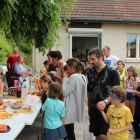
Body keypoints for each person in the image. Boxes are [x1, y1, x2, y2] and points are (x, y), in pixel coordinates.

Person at [87, 48, 120, 140]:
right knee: (97, 135)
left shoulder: (113, 72)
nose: (90, 61)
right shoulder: (89, 72)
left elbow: (117, 92)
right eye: (89, 59)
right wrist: (89, 107)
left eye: (93, 59)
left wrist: (105, 101)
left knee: (104, 135)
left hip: (109, 109)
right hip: (94, 108)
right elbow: (89, 90)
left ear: (101, 58)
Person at [62, 58, 86, 140]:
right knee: (70, 129)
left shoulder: (74, 77)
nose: (67, 69)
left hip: (71, 107)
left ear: (72, 67)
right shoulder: (82, 76)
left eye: (67, 67)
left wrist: (64, 78)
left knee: (69, 130)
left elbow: (65, 92)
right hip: (76, 105)